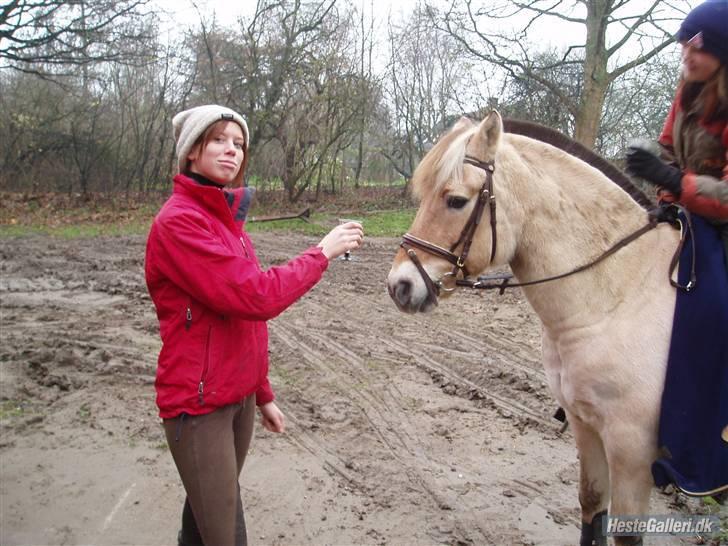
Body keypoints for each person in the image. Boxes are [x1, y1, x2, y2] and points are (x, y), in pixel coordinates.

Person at [144, 104, 364, 546]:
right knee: (225, 532)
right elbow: (258, 296)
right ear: (191, 152)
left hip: (237, 398)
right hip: (199, 406)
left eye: (239, 144)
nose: (232, 151)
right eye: (219, 140)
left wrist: (262, 395)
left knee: (204, 520)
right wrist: (321, 253)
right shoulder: (179, 223)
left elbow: (240, 321)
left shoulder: (226, 223)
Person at [626, 0, 728, 268]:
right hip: (694, 212)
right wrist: (667, 194)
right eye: (683, 46)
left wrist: (676, 182)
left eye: (696, 48)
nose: (686, 55)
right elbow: (668, 150)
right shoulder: (686, 94)